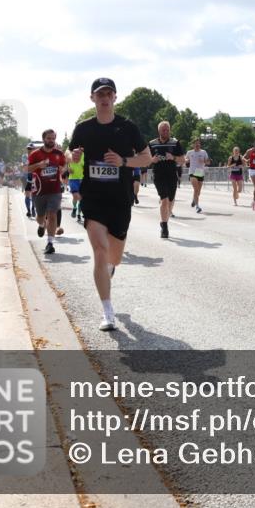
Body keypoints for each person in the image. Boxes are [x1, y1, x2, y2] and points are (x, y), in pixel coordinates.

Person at [69, 78, 152, 331]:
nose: (104, 97)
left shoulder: (127, 127)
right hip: (93, 198)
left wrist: (123, 162)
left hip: (120, 199)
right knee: (99, 250)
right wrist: (72, 157)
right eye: (99, 94)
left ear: (115, 97)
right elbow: (68, 154)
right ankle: (107, 311)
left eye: (108, 93)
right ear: (92, 98)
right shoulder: (83, 128)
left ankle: (110, 269)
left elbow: (147, 158)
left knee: (114, 257)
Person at [25, 129, 67, 255]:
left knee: (53, 215)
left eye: (53, 138)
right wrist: (39, 165)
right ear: (44, 139)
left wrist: (63, 169)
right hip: (39, 190)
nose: (51, 141)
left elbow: (64, 167)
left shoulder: (59, 153)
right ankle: (42, 225)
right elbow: (27, 168)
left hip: (55, 190)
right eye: (49, 138)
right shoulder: (35, 154)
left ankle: (50, 243)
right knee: (40, 217)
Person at [148, 121, 185, 238]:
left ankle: (165, 220)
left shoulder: (175, 143)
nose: (166, 132)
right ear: (159, 131)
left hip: (171, 175)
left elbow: (183, 160)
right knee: (164, 199)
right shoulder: (152, 144)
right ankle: (164, 227)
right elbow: (145, 159)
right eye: (163, 130)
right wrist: (152, 160)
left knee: (171, 201)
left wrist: (173, 157)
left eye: (167, 130)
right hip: (158, 175)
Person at [186, 138, 209, 213]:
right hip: (192, 172)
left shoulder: (203, 152)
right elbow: (185, 160)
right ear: (193, 145)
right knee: (196, 189)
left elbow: (208, 162)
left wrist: (204, 161)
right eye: (196, 143)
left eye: (198, 143)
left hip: (200, 172)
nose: (197, 145)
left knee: (198, 192)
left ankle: (194, 199)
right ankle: (197, 206)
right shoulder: (189, 152)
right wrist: (186, 161)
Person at [67, 151, 85, 221]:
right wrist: (68, 169)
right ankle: (74, 207)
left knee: (81, 198)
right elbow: (66, 163)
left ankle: (79, 214)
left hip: (82, 179)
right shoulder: (70, 153)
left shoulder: (84, 155)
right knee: (75, 196)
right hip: (73, 179)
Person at [21, 143, 36, 216]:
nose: (29, 150)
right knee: (27, 195)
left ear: (34, 149)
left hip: (35, 178)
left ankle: (33, 208)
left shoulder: (37, 156)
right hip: (27, 178)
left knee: (33, 195)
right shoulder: (24, 156)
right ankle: (28, 211)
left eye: (31, 149)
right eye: (28, 149)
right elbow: (25, 166)